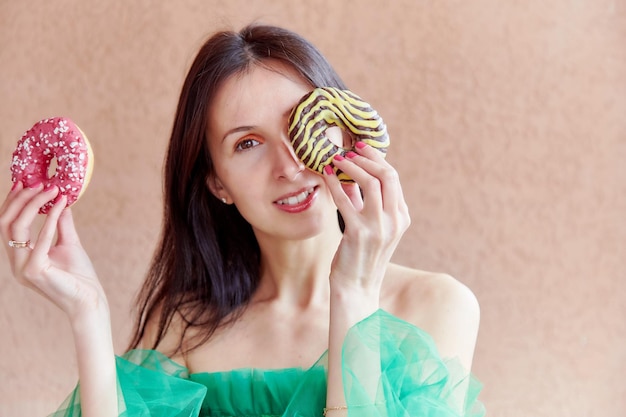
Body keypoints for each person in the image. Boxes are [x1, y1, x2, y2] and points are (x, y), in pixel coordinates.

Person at [0, 24, 484, 417]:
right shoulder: (189, 330)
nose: (290, 165)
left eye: (302, 125)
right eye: (247, 143)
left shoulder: (436, 306)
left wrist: (353, 291)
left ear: (344, 130)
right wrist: (88, 312)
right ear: (217, 184)